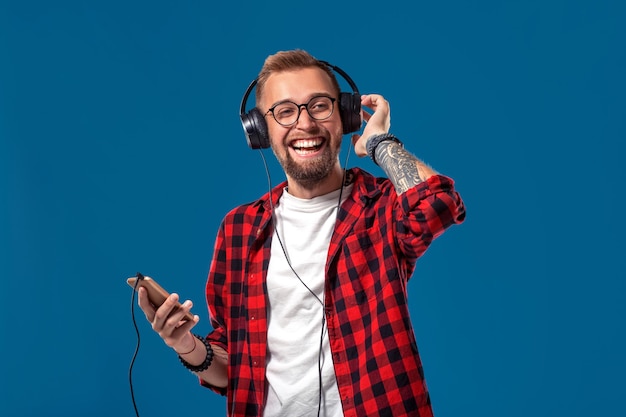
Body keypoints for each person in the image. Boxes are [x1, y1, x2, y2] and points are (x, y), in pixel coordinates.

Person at [137, 49, 466, 417]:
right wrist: (185, 345)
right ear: (261, 130)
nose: (305, 124)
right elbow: (234, 371)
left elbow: (438, 203)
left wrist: (378, 144)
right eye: (285, 111)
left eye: (320, 106)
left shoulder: (382, 206)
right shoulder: (239, 229)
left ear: (345, 116)